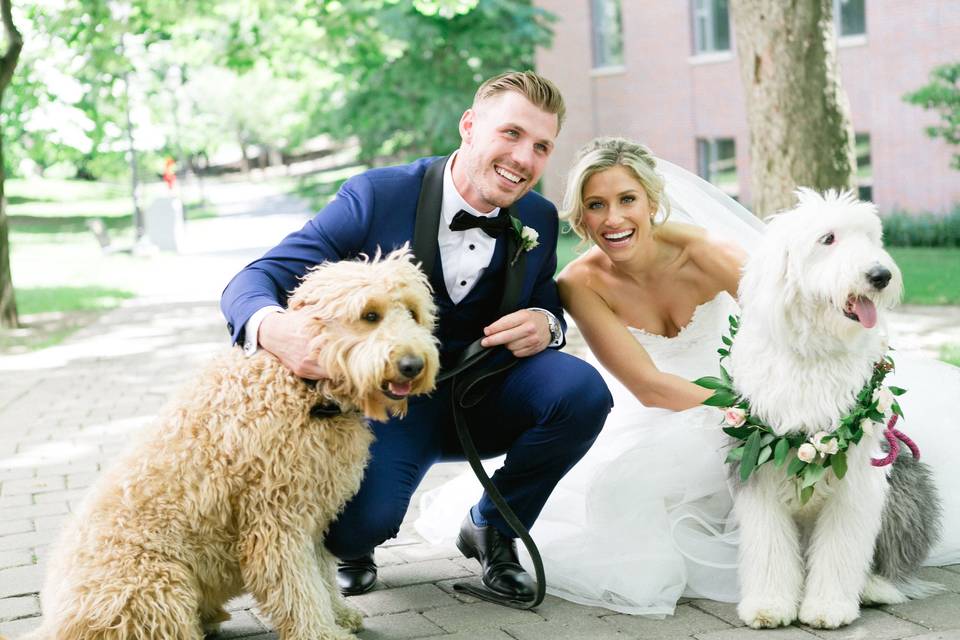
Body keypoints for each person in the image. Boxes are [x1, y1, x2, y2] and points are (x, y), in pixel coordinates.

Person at [416, 136, 960, 615]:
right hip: (668, 406)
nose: (614, 219)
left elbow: (787, 317)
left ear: (652, 202)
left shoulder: (706, 252)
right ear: (580, 218)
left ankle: (839, 569)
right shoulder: (579, 282)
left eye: (627, 199)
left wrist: (803, 403)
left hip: (751, 384)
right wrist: (748, 414)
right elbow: (648, 386)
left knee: (838, 467)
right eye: (596, 205)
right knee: (632, 498)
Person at [219, 71, 613, 600]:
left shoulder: (536, 216)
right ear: (469, 126)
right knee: (358, 526)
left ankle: (495, 526)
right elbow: (253, 279)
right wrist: (274, 329)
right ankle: (354, 542)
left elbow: (545, 300)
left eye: (542, 146)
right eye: (511, 134)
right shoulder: (377, 197)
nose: (524, 159)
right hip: (390, 403)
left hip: (484, 393)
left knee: (583, 393)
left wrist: (547, 324)